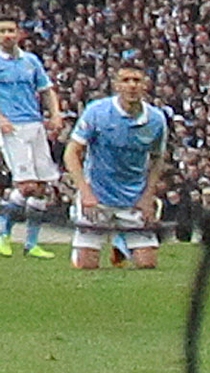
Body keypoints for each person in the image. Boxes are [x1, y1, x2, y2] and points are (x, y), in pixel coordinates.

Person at [63, 63, 169, 271]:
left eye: (136, 80)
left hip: (133, 198)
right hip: (98, 196)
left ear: (145, 85)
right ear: (116, 85)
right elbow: (71, 153)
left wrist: (148, 196)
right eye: (126, 80)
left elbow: (158, 159)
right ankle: (94, 247)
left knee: (147, 265)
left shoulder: (156, 120)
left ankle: (121, 243)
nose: (131, 86)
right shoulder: (97, 112)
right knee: (86, 266)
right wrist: (86, 193)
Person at [0, 15, 63, 259]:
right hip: (11, 127)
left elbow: (46, 90)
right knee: (26, 185)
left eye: (11, 30)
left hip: (35, 125)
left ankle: (31, 243)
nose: (7, 35)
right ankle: (3, 234)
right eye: (2, 31)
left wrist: (55, 114)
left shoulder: (30, 61)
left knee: (41, 187)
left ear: (19, 34)